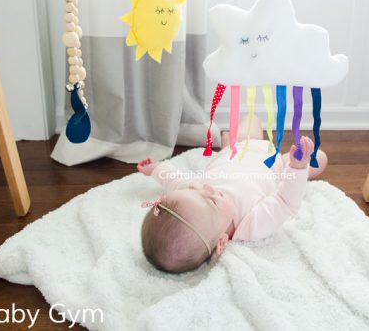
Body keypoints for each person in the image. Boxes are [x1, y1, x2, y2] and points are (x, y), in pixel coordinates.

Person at [138, 116, 328, 273]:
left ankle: (226, 146)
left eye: (194, 189)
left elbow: (175, 180)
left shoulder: (194, 195)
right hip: (277, 167)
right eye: (213, 201)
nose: (207, 188)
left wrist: (155, 168)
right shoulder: (251, 224)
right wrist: (297, 167)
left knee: (252, 119)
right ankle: (298, 161)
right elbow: (284, 201)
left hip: (237, 150)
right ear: (221, 241)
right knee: (319, 159)